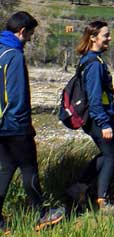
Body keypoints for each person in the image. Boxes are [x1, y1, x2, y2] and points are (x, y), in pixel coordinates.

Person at [0, 12, 65, 233]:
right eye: (30, 34)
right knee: (29, 169)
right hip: (14, 125)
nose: (30, 38)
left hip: (0, 124)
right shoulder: (15, 56)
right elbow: (16, 96)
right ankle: (42, 214)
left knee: (7, 168)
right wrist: (24, 125)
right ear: (21, 31)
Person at [67, 21, 114, 212]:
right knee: (111, 155)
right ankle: (102, 201)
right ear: (93, 37)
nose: (109, 38)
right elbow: (94, 97)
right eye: (106, 35)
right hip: (99, 118)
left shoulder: (91, 60)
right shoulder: (94, 64)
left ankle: (79, 188)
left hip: (98, 116)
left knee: (110, 154)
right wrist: (104, 123)